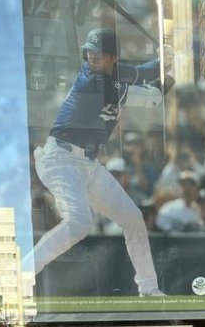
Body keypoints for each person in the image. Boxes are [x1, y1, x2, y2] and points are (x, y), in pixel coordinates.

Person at [31, 28, 172, 297]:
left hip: (87, 164)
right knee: (79, 222)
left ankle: (149, 288)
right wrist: (172, 74)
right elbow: (152, 98)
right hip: (60, 159)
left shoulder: (113, 75)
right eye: (89, 50)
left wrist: (162, 60)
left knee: (132, 218)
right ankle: (22, 274)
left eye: (98, 52)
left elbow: (143, 71)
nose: (91, 55)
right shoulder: (94, 81)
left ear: (112, 57)